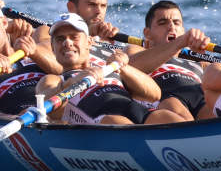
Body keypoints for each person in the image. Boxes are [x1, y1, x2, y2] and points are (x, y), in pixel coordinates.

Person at [36, 14, 178, 125]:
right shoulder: (53, 79)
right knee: (114, 121)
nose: (67, 43)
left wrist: (124, 68)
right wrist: (72, 82)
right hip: (103, 122)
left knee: (165, 116)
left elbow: (154, 94)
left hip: (136, 111)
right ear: (53, 49)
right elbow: (50, 111)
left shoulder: (108, 67)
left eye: (74, 37)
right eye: (60, 39)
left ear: (89, 43)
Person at [126, 0, 212, 120]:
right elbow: (130, 65)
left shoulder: (199, 61)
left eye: (176, 23)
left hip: (199, 96)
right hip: (166, 99)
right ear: (147, 33)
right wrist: (179, 43)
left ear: (182, 30)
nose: (171, 26)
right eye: (162, 23)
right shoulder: (137, 50)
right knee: (175, 108)